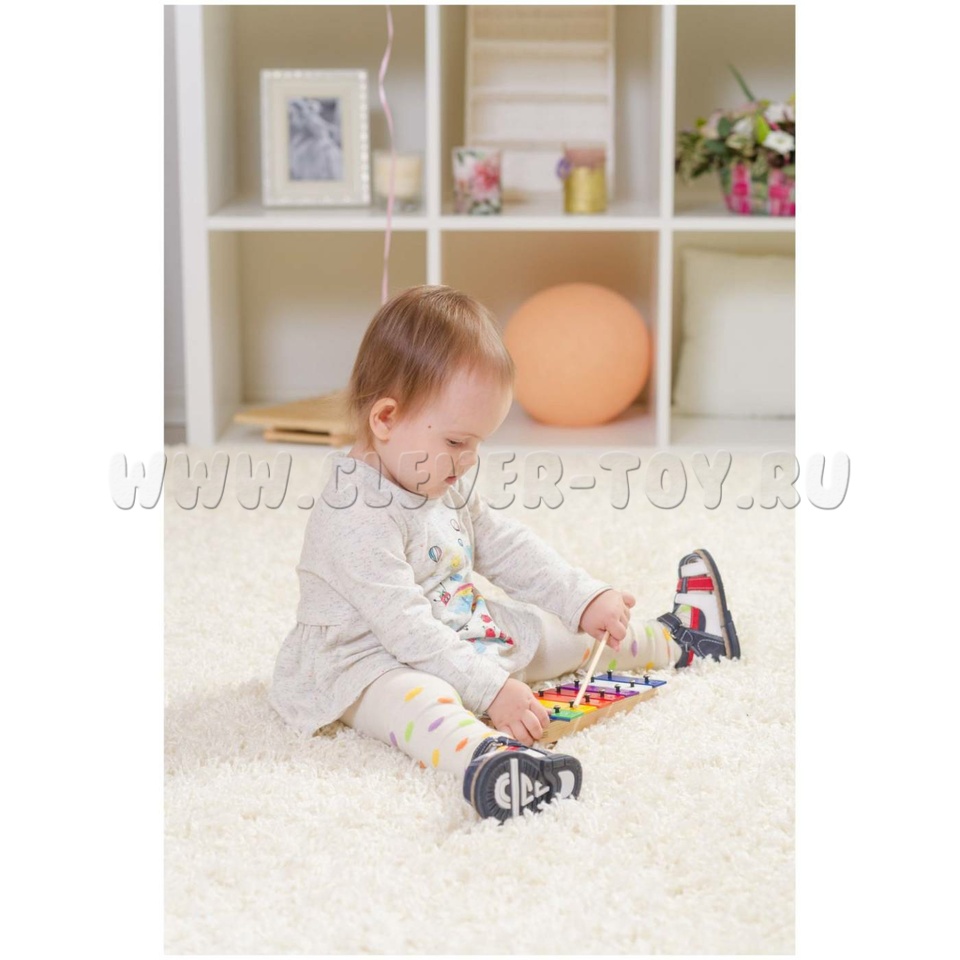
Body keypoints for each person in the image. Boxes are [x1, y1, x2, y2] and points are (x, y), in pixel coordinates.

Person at [270, 285, 740, 822]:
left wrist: (583, 599)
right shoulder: (355, 516)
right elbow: (405, 629)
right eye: (456, 442)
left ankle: (681, 638)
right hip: (364, 659)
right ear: (386, 419)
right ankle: (488, 761)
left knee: (558, 635)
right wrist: (492, 691)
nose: (469, 459)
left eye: (478, 443)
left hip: (454, 624)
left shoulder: (435, 474)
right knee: (418, 699)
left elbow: (504, 546)